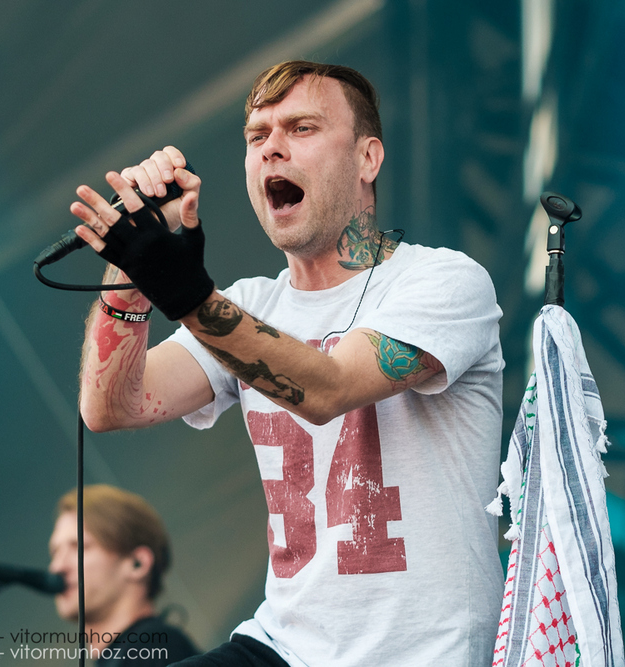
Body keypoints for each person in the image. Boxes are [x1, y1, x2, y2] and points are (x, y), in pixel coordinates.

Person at [69, 60, 505, 666]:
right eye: (257, 136)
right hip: (282, 648)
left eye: (301, 128)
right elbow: (111, 406)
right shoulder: (251, 305)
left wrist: (187, 294)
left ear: (366, 158)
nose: (272, 148)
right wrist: (134, 261)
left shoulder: (443, 282)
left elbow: (328, 389)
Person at [48, 485, 199, 666]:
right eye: (54, 553)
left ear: (137, 563)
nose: (57, 567)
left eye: (79, 547)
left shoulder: (153, 648)